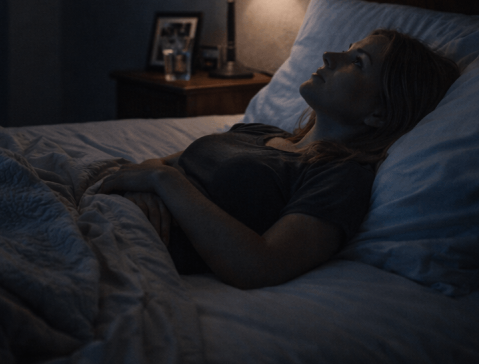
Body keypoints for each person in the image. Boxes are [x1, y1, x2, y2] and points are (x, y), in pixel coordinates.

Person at [101, 29, 460, 289]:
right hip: (112, 211)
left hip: (127, 247)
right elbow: (151, 167)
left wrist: (165, 184)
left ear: (379, 114)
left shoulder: (340, 176)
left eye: (356, 61)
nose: (329, 57)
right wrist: (150, 185)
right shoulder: (258, 132)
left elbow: (261, 264)